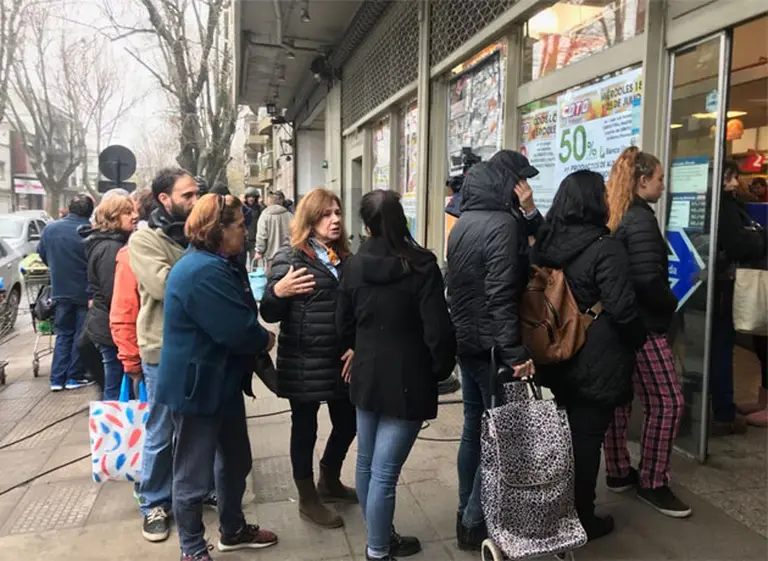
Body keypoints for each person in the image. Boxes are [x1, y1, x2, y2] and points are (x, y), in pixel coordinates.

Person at [157, 194, 279, 561]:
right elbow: (237, 331)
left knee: (237, 460)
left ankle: (232, 529)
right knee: (192, 477)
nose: (246, 231)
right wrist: (265, 338)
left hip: (220, 384)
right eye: (240, 225)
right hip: (197, 389)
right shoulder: (202, 271)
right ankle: (192, 549)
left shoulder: (220, 263)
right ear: (218, 230)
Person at [337, 190, 456, 561]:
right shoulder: (421, 265)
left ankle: (379, 536)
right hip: (409, 375)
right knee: (384, 473)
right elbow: (437, 329)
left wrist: (358, 347)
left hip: (367, 373)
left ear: (367, 225)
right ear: (401, 219)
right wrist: (439, 370)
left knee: (367, 463)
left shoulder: (354, 266)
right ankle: (377, 550)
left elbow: (343, 323)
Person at [534, 170, 647, 541]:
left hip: (556, 349)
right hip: (597, 355)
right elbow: (622, 309)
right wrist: (636, 339)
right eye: (602, 192)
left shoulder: (548, 241)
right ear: (592, 201)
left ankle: (557, 504)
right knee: (586, 438)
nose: (607, 197)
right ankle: (581, 516)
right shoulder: (606, 247)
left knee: (568, 434)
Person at [445, 151, 538, 551]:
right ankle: (472, 521)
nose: (523, 187)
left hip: (466, 341)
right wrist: (516, 354)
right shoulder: (502, 225)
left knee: (473, 428)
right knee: (500, 435)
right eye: (518, 181)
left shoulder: (463, 223)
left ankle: (466, 511)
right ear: (506, 184)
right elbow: (501, 295)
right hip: (493, 348)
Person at [260, 187, 357, 529]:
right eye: (326, 214)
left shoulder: (344, 257)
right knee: (305, 429)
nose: (334, 220)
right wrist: (277, 292)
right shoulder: (290, 259)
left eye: (337, 213)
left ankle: (329, 480)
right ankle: (307, 499)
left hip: (340, 360)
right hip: (303, 362)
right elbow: (269, 313)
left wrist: (356, 345)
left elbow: (357, 309)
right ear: (310, 219)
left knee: (348, 422)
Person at [602, 147, 691, 518]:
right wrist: (670, 305)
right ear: (642, 181)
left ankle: (619, 471)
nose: (662, 184)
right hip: (644, 327)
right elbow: (645, 279)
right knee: (668, 403)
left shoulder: (618, 213)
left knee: (620, 403)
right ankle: (653, 482)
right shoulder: (640, 219)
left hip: (619, 325)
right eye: (659, 178)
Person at [129, 167, 204, 542]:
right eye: (186, 195)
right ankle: (154, 501)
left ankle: (192, 489)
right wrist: (203, 270)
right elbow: (164, 286)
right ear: (164, 199)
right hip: (162, 349)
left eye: (196, 194)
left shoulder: (197, 234)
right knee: (162, 428)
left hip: (202, 346)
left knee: (196, 426)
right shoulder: (145, 240)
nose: (194, 201)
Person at [711, 161, 768, 432]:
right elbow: (737, 243)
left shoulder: (718, 203)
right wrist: (759, 240)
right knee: (722, 348)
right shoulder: (724, 207)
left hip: (713, 287)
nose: (735, 184)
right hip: (725, 288)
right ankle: (724, 411)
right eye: (730, 178)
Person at [81, 195, 138, 400]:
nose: (135, 216)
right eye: (127, 212)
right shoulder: (110, 248)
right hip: (109, 330)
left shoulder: (109, 243)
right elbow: (114, 294)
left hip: (106, 325)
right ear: (113, 218)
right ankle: (114, 429)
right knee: (114, 386)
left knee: (114, 383)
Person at [37, 195, 96, 392]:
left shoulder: (51, 229)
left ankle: (56, 378)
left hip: (60, 290)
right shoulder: (89, 231)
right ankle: (74, 376)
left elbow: (42, 253)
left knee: (63, 333)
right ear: (89, 211)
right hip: (85, 292)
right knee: (81, 334)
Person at [255, 190, 292, 273]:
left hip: (271, 257)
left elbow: (261, 235)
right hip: (288, 255)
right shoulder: (290, 216)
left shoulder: (264, 216)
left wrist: (259, 251)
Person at [244, 187, 262, 269]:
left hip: (254, 239)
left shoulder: (259, 209)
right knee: (241, 263)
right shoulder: (242, 208)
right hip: (243, 239)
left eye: (253, 197)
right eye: (249, 197)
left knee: (254, 263)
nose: (251, 199)